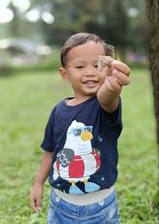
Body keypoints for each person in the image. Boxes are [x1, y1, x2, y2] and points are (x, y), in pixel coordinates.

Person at [29, 32, 130, 224]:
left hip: (100, 209)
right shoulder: (58, 111)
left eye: (97, 65)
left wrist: (115, 81)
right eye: (80, 66)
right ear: (64, 74)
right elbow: (50, 152)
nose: (90, 72)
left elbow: (109, 93)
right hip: (60, 206)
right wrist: (37, 184)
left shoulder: (104, 105)